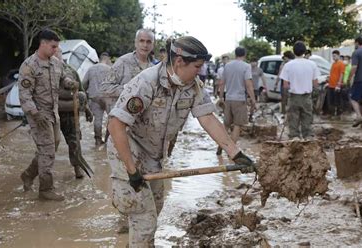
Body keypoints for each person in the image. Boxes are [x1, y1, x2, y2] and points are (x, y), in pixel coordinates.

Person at [107, 36, 256, 246]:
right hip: (126, 151)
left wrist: (236, 154)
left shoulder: (192, 86)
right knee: (144, 217)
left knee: (155, 210)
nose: (200, 71)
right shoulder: (146, 82)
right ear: (179, 62)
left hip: (153, 154)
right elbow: (115, 125)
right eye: (197, 66)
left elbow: (208, 118)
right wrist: (131, 170)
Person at [18, 29, 76, 201]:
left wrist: (69, 82)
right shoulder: (29, 66)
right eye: (53, 46)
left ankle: (28, 174)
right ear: (43, 44)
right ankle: (45, 189)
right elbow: (24, 95)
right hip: (38, 114)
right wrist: (35, 114)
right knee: (48, 149)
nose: (55, 50)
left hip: (53, 113)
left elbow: (63, 77)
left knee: (52, 146)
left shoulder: (55, 63)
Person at [99, 28, 155, 142]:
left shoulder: (154, 68)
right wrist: (127, 89)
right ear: (136, 42)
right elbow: (104, 88)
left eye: (149, 42)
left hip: (143, 125)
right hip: (121, 121)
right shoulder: (123, 62)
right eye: (142, 41)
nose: (145, 45)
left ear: (153, 45)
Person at [55, 48, 93, 179]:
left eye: (58, 53)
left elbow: (81, 92)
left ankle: (78, 167)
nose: (55, 55)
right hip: (51, 113)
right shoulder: (44, 71)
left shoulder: (70, 70)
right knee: (49, 144)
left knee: (74, 141)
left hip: (70, 114)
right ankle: (41, 173)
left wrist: (87, 109)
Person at [217, 47, 256, 154]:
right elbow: (248, 84)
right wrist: (253, 99)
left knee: (226, 125)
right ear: (245, 54)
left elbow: (222, 83)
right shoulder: (246, 66)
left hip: (228, 99)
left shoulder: (227, 65)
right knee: (237, 125)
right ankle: (232, 151)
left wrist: (221, 98)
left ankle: (220, 148)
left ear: (235, 54)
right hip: (239, 100)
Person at [279, 41, 320, 140]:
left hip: (293, 97)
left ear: (293, 51)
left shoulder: (288, 65)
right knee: (307, 119)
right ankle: (308, 138)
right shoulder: (312, 64)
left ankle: (295, 138)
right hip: (307, 97)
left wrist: (286, 99)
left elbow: (285, 85)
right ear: (305, 51)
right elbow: (316, 84)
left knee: (293, 120)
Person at [83, 55, 112, 145]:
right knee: (111, 119)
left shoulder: (91, 69)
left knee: (98, 119)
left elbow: (84, 83)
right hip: (108, 97)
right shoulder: (111, 69)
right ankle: (107, 139)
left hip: (95, 97)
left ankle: (98, 140)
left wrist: (86, 94)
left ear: (100, 59)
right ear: (107, 60)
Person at [327, 50, 346, 118]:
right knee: (331, 100)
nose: (333, 57)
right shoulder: (333, 64)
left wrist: (339, 84)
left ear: (338, 55)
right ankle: (332, 113)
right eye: (332, 56)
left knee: (337, 100)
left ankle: (338, 114)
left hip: (336, 85)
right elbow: (332, 74)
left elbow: (342, 74)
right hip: (331, 84)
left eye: (334, 56)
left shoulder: (341, 64)